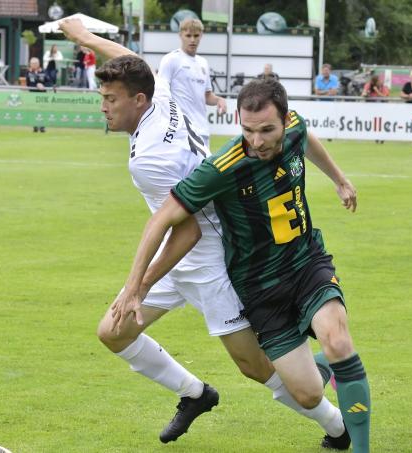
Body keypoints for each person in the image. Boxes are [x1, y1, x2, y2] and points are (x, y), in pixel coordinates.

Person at [58, 18, 350, 449]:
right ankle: (195, 394)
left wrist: (136, 286)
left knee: (254, 367)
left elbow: (187, 232)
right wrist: (82, 37)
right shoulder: (157, 91)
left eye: (110, 99)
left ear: (137, 101)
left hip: (209, 257)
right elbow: (126, 60)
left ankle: (336, 426)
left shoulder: (151, 160)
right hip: (180, 255)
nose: (103, 106)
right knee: (113, 332)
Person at [110, 77, 370, 451]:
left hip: (306, 262)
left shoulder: (294, 127)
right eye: (248, 131)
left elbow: (306, 135)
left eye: (267, 130)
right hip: (261, 288)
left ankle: (360, 445)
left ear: (284, 119)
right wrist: (135, 287)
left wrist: (340, 180)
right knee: (309, 395)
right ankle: (318, 374)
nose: (258, 141)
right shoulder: (221, 168)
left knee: (338, 341)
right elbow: (162, 219)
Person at [157, 18, 227, 149]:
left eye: (196, 35)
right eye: (188, 35)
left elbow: (207, 96)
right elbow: (161, 92)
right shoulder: (171, 60)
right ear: (180, 35)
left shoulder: (203, 63)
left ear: (201, 35)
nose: (192, 40)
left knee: (203, 169)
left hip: (202, 130)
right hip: (181, 131)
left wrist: (219, 100)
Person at [26, 57, 48, 133]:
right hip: (33, 94)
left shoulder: (44, 72)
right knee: (33, 111)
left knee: (42, 110)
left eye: (35, 63)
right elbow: (28, 84)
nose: (34, 65)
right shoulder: (28, 73)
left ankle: (42, 126)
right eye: (32, 63)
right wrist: (36, 85)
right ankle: (35, 126)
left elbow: (49, 81)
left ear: (38, 64)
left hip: (42, 95)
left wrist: (42, 85)